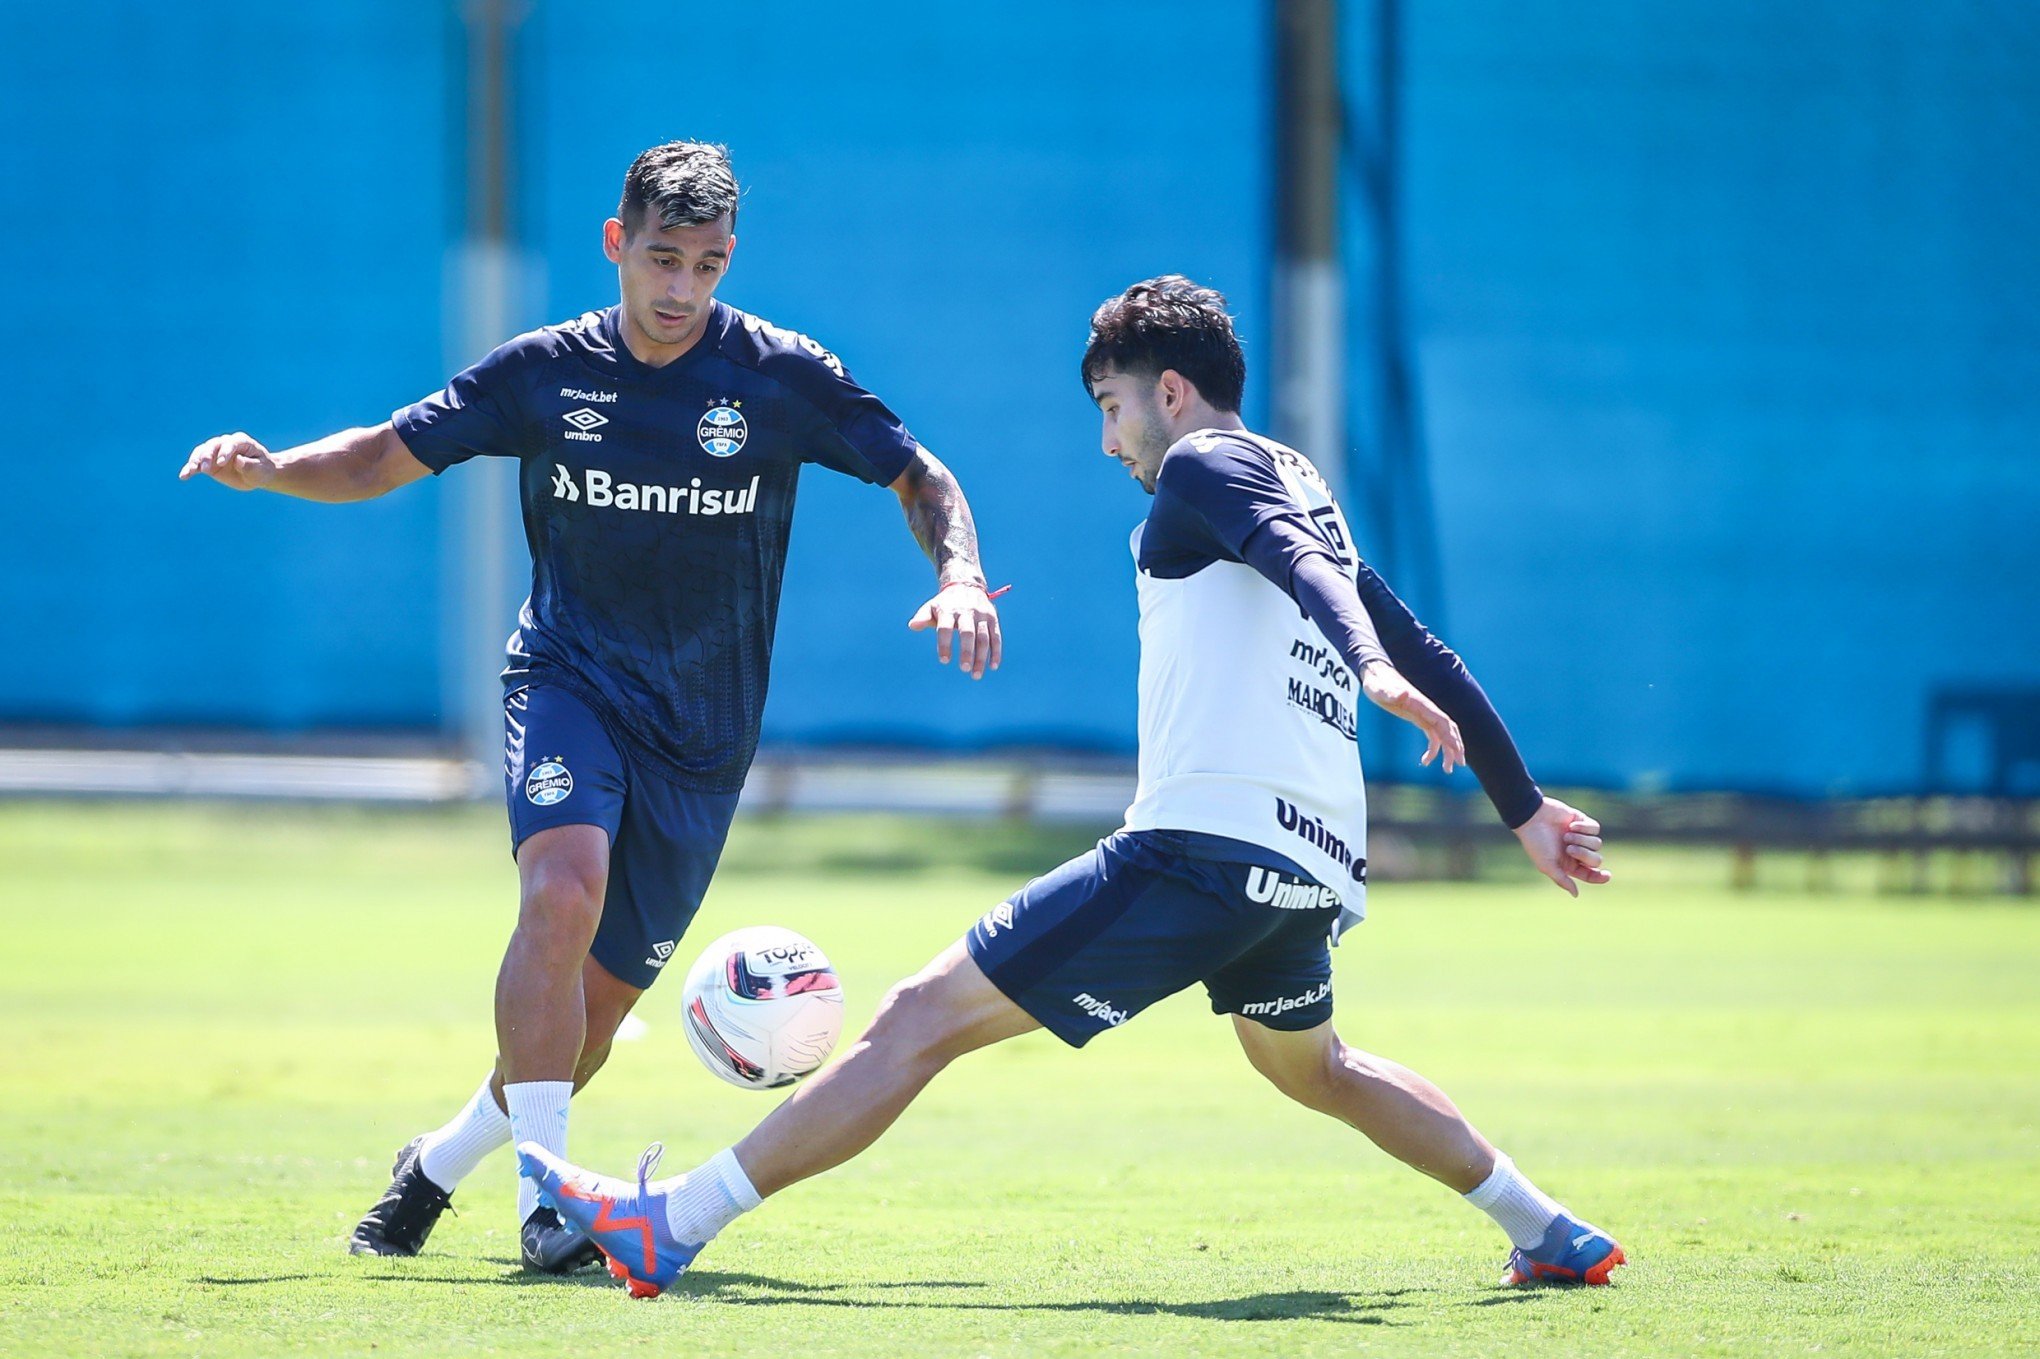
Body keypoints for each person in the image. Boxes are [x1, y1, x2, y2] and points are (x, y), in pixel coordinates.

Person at [519, 275, 1622, 1297]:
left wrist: (1372, 671)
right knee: (1316, 1067)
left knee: (919, 1017)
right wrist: (1522, 808)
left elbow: (1341, 601)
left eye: (1111, 405)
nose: (1109, 440)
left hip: (1203, 849)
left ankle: (676, 1222)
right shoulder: (1298, 478)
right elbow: (1409, 628)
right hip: (1307, 867)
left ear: (1172, 392)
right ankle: (1549, 1229)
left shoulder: (1204, 465)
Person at [178, 141, 1003, 1273]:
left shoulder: (781, 376)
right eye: (662, 259)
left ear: (728, 263)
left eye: (706, 267)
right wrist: (275, 468)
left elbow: (922, 475)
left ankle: (435, 1165)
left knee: (593, 1021)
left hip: (703, 739)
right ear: (618, 245)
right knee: (560, 895)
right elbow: (380, 455)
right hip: (567, 679)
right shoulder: (543, 372)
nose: (680, 291)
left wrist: (957, 572)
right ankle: (545, 1203)